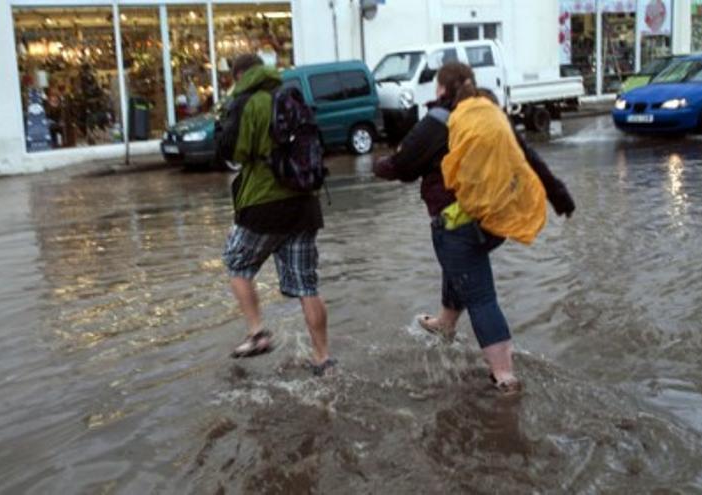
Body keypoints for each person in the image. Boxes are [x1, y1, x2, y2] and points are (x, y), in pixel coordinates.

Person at [375, 63, 574, 391]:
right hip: (494, 222)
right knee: (458, 269)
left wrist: (378, 166)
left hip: (457, 224)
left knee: (480, 295)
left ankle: (504, 375)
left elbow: (403, 167)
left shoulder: (438, 122)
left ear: (440, 89)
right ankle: (444, 324)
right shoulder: (491, 114)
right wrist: (559, 196)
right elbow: (528, 159)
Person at [221, 54, 334, 377]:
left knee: (236, 262)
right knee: (306, 286)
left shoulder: (249, 103)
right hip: (304, 204)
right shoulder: (291, 96)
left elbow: (233, 151)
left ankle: (257, 334)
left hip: (264, 204)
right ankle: (323, 359)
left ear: (239, 74)